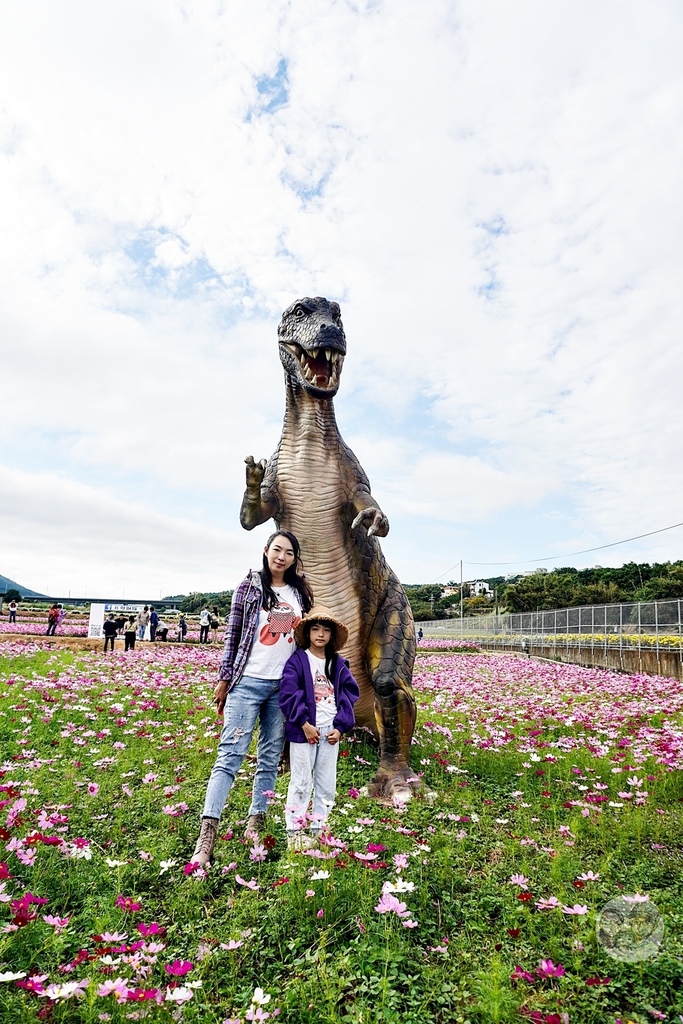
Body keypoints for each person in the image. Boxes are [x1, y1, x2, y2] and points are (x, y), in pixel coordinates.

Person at [191, 531, 313, 867]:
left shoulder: (301, 591)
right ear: (266, 551)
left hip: (284, 688)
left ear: (294, 558)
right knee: (229, 756)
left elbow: (302, 636)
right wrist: (224, 678)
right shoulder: (249, 587)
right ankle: (207, 835)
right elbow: (234, 634)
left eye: (289, 552)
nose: (282, 557)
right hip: (247, 682)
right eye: (277, 550)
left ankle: (254, 824)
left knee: (269, 758)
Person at [279, 607, 359, 850]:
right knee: (301, 781)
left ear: (332, 636)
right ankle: (295, 833)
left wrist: (341, 727)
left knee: (326, 783)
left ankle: (318, 829)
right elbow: (288, 693)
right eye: (315, 629)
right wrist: (303, 723)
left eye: (326, 630)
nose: (321, 634)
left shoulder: (338, 663)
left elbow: (348, 694)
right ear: (307, 633)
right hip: (304, 731)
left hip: (330, 732)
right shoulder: (297, 661)